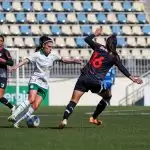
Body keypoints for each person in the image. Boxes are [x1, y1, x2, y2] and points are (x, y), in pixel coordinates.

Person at [59, 28, 143, 128]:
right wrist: (132, 78)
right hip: (95, 82)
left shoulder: (98, 47)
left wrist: (95, 34)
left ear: (106, 42)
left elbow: (87, 40)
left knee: (73, 101)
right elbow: (122, 68)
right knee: (108, 96)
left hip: (83, 78)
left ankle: (64, 119)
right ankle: (94, 117)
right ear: (115, 45)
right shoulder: (114, 56)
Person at [8, 36, 82, 128]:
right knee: (31, 99)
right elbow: (25, 61)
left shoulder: (53, 55)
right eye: (49, 46)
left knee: (35, 106)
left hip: (44, 84)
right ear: (43, 46)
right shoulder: (36, 55)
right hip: (35, 80)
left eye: (51, 46)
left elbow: (63, 60)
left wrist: (74, 60)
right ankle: (14, 115)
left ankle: (17, 122)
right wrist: (15, 66)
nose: (51, 48)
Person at [0, 35, 15, 113]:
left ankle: (12, 107)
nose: (0, 42)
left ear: (3, 42)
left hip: (2, 76)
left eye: (1, 41)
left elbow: (11, 63)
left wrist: (3, 61)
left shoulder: (5, 51)